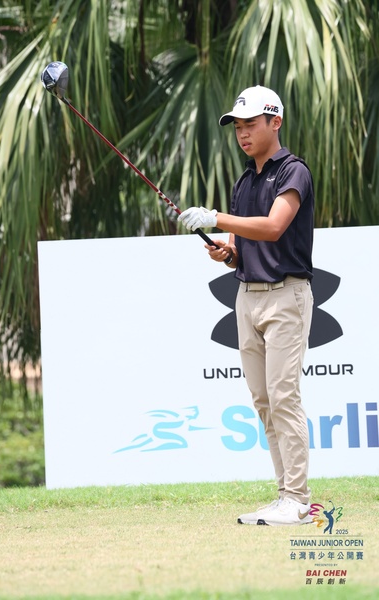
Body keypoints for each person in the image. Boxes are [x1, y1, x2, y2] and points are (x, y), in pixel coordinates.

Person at [178, 85, 314, 526]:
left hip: (286, 296)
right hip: (247, 297)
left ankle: (299, 499)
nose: (242, 133)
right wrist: (226, 251)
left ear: (275, 121)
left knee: (284, 396)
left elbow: (274, 227)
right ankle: (285, 495)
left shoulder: (293, 172)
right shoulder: (244, 181)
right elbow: (240, 248)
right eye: (237, 126)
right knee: (263, 401)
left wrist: (216, 217)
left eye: (250, 124)